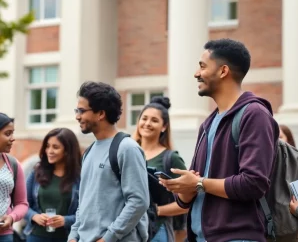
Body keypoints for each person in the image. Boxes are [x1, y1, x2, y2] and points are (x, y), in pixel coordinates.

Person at [159, 38, 279, 242]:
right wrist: (184, 188)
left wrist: (198, 183)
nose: (196, 74)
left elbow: (253, 183)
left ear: (223, 71)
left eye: (202, 66)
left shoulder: (255, 114)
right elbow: (193, 192)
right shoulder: (208, 123)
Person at [68, 81, 149, 242]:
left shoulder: (127, 148)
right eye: (77, 110)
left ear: (101, 114)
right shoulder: (89, 151)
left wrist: (108, 238)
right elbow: (84, 201)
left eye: (82, 111)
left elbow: (138, 201)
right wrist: (74, 235)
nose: (77, 116)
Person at [133, 96, 188, 242]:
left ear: (164, 127)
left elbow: (190, 200)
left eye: (154, 120)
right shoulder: (126, 153)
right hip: (127, 230)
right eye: (144, 118)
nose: (147, 123)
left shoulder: (171, 158)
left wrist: (157, 210)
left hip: (157, 231)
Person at [24, 128, 81, 242]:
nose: (49, 151)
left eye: (55, 147)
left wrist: (66, 220)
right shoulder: (37, 172)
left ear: (68, 151)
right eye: (47, 146)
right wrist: (35, 216)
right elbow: (22, 204)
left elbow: (87, 212)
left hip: (67, 238)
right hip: (36, 236)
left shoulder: (80, 177)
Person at [0, 113, 28, 242]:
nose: (13, 138)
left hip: (5, 235)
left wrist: (11, 217)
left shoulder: (14, 165)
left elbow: (22, 203)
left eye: (13, 133)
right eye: (7, 133)